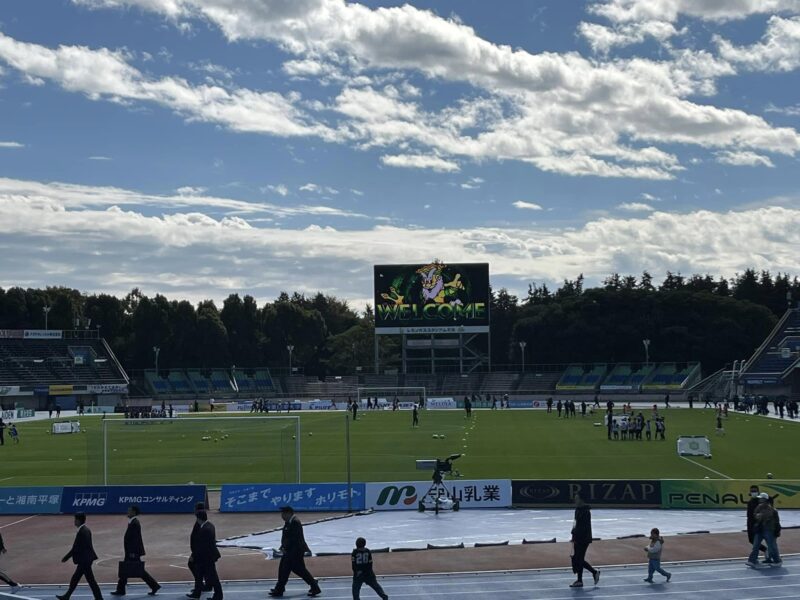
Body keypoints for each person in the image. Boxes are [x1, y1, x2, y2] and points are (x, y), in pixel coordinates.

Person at [269, 506, 321, 597]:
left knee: (297, 570)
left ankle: (314, 586)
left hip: (295, 551)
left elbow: (295, 539)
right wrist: (282, 547)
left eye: (283, 513)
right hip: (290, 551)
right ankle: (280, 588)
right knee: (285, 569)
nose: (282, 515)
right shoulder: (288, 522)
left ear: (289, 513)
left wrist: (285, 548)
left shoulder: (295, 523)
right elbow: (286, 537)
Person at [111, 505, 160, 596]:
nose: (127, 512)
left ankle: (154, 586)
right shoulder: (132, 522)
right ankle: (121, 589)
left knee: (135, 571)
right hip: (131, 552)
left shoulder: (135, 523)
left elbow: (135, 539)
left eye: (129, 511)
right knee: (127, 571)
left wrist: (132, 553)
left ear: (133, 512)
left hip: (132, 552)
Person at [57, 513, 103, 600]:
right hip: (86, 560)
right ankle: (67, 596)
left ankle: (99, 598)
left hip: (85, 560)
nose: (74, 521)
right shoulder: (84, 530)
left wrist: (66, 557)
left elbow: (76, 548)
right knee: (78, 578)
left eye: (75, 520)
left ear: (78, 520)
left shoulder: (83, 532)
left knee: (88, 580)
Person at [187, 511, 222, 600]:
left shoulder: (204, 530)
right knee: (199, 576)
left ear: (199, 519)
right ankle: (197, 593)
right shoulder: (210, 525)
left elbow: (201, 546)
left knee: (213, 577)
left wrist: (193, 556)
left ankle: (218, 596)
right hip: (207, 557)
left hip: (206, 558)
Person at [569, 494, 599, 588]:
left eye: (577, 498)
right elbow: (575, 523)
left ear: (581, 500)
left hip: (583, 538)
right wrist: (573, 534)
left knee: (579, 559)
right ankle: (580, 580)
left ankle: (594, 572)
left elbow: (584, 527)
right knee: (578, 559)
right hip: (577, 537)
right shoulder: (577, 510)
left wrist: (576, 534)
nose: (575, 500)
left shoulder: (586, 512)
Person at [747, 493, 782, 567]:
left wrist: (759, 516)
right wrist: (757, 516)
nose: (759, 499)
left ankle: (777, 561)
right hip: (759, 529)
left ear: (765, 499)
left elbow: (765, 516)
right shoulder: (758, 507)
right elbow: (755, 514)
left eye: (761, 498)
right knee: (756, 545)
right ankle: (752, 560)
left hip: (769, 530)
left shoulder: (771, 509)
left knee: (772, 546)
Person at [187, 503, 211, 595]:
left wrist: (194, 554)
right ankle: (205, 585)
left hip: (198, 552)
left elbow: (197, 540)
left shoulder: (199, 523)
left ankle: (200, 587)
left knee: (195, 567)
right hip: (199, 551)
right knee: (203, 569)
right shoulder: (201, 522)